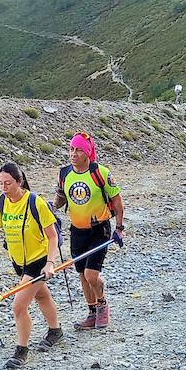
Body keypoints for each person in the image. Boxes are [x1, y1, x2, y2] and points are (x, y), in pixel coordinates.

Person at [0, 162, 63, 369]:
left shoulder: (36, 202)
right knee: (41, 295)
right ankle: (56, 331)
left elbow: (52, 236)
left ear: (20, 181)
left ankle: (21, 351)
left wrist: (50, 263)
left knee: (18, 305)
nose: (4, 187)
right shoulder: (0, 202)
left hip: (39, 261)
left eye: (8, 183)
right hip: (19, 262)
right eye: (0, 184)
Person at [53, 133, 125, 330]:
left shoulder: (101, 173)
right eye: (71, 149)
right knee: (82, 275)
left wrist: (119, 228)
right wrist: (51, 209)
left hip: (99, 229)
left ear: (87, 152)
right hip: (77, 230)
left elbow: (117, 202)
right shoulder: (64, 173)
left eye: (78, 150)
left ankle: (102, 305)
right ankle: (92, 313)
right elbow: (60, 198)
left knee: (91, 274)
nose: (73, 154)